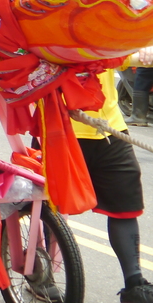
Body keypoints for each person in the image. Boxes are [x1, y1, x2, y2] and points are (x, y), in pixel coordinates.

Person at [74, 59, 153, 303]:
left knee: (125, 206)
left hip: (109, 127)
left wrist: (139, 52)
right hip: (61, 128)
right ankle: (38, 270)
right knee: (50, 205)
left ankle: (135, 284)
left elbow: (115, 49)